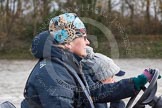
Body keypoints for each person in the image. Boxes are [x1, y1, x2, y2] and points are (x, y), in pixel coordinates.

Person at [21, 13, 158, 108]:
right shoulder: (53, 74)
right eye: (84, 37)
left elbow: (95, 92)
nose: (87, 42)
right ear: (68, 42)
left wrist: (136, 82)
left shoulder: (66, 66)